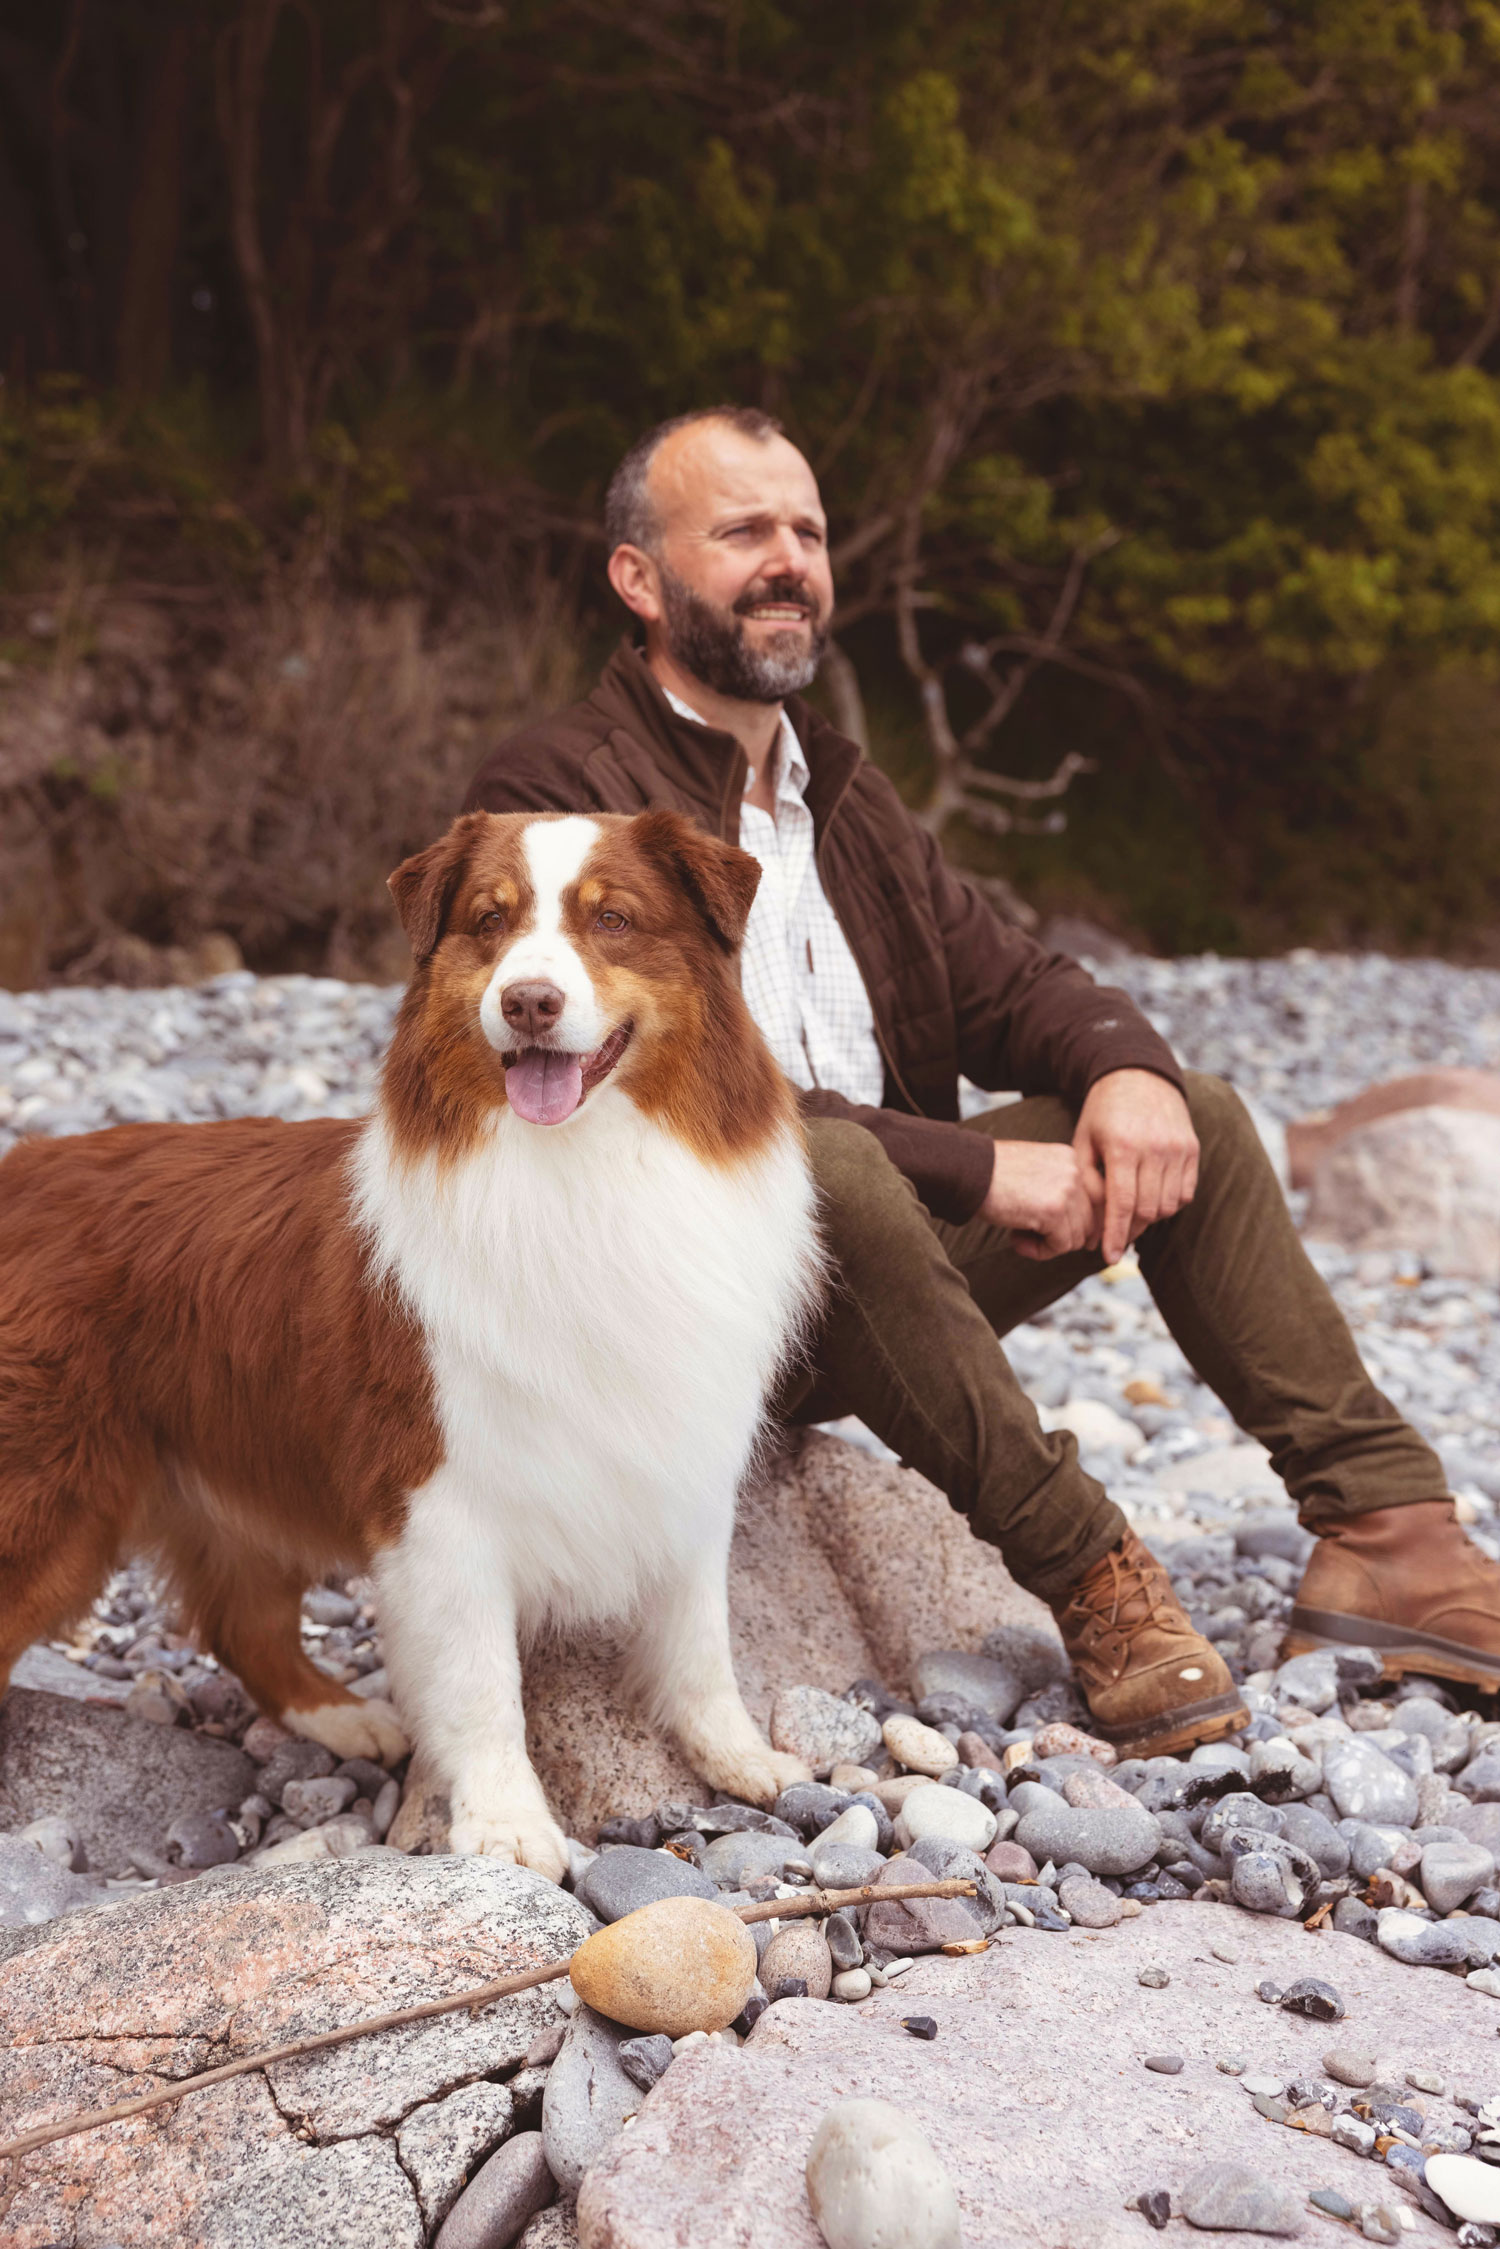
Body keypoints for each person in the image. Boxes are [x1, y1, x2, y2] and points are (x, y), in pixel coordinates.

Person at [461, 405, 1500, 1757]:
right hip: (661, 1307)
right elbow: (698, 1092)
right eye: (743, 532)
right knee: (825, 1164)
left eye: (810, 532)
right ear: (639, 579)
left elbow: (1008, 981)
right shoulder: (558, 789)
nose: (789, 562)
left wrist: (1127, 1069)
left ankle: (1390, 1537)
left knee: (1209, 1120)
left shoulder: (835, 786)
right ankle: (1089, 1573)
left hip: (870, 1274)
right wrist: (974, 1166)